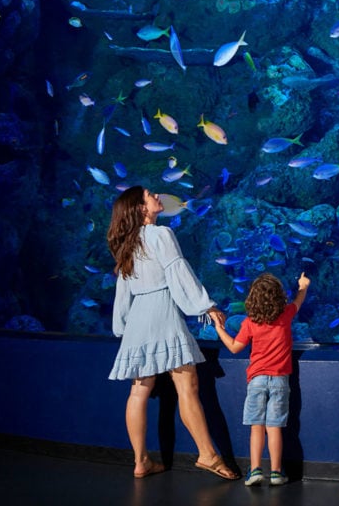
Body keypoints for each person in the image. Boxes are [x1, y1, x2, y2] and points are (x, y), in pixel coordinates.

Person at [106, 186, 240, 480]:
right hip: (162, 312)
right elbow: (178, 273)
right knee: (187, 387)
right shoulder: (161, 234)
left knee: (139, 391)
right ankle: (207, 455)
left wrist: (122, 327)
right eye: (149, 195)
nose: (156, 196)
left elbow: (123, 291)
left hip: (138, 320)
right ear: (141, 209)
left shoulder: (127, 244)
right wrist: (206, 306)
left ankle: (141, 461)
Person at [213, 271, 310, 487]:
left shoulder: (249, 323)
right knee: (275, 427)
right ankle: (276, 472)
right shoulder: (285, 315)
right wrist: (303, 285)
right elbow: (299, 300)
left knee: (256, 426)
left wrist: (219, 328)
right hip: (280, 380)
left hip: (256, 380)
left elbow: (235, 347)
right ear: (279, 297)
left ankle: (255, 470)